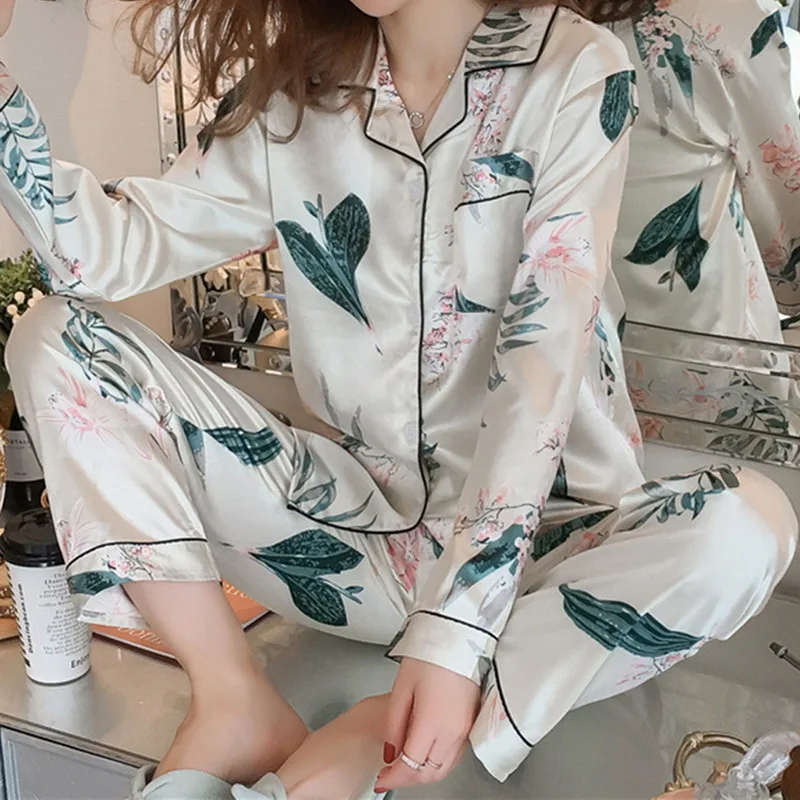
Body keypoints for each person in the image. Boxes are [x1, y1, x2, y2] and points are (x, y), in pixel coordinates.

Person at [0, 0, 797, 796]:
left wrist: (454, 643)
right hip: (353, 549)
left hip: (542, 566)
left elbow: (539, 371)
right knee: (54, 336)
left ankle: (402, 722)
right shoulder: (297, 95)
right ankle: (231, 697)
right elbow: (96, 255)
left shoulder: (575, 69)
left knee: (749, 527)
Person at [609, 0, 800, 454]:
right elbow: (788, 243)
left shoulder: (508, 21)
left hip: (569, 392)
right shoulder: (718, 17)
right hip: (705, 391)